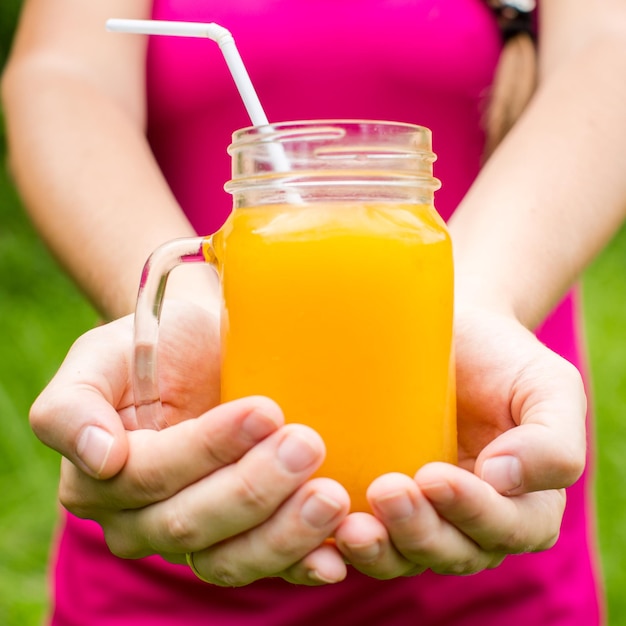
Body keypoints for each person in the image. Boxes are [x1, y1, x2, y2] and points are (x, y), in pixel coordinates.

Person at [2, 0, 626, 623]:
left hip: (483, 485)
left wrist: (474, 299)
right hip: (175, 518)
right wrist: (183, 309)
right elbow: (63, 74)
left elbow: (606, 54)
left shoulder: (423, 237)